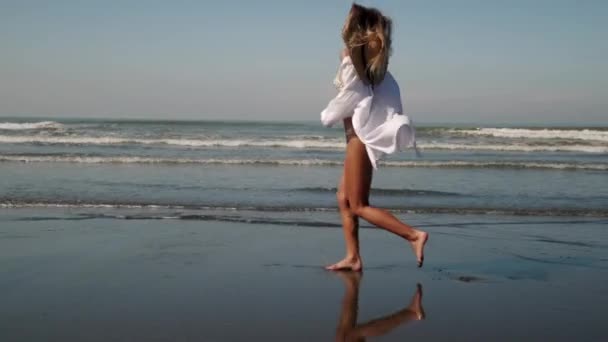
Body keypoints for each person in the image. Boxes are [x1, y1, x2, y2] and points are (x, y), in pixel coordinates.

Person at [321, 3, 428, 271]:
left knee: (358, 204)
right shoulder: (375, 71)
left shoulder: (360, 70)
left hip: (358, 138)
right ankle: (353, 257)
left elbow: (348, 101)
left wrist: (328, 115)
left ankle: (413, 235)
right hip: (354, 137)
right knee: (343, 198)